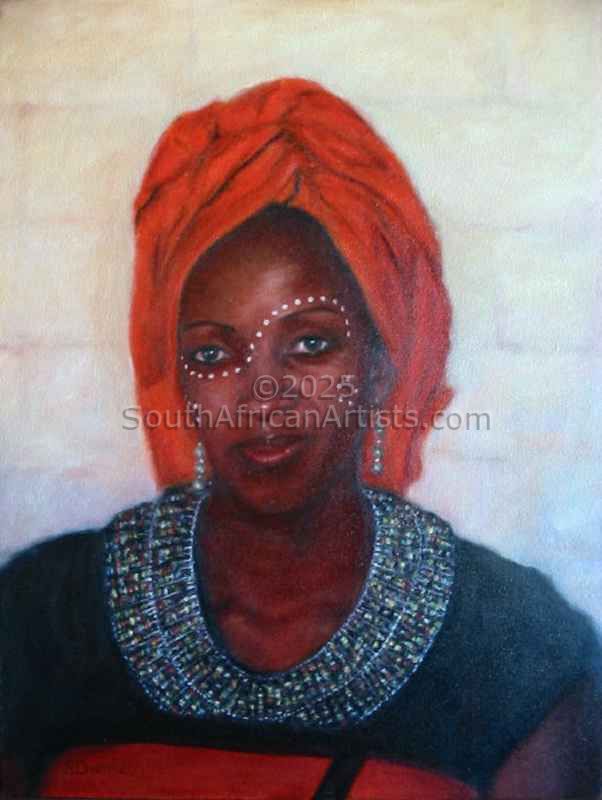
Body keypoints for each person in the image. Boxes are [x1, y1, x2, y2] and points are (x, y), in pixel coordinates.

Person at [1, 78, 600, 800]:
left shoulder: (513, 644)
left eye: (311, 344)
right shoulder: (47, 618)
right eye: (213, 354)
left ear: (383, 365)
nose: (263, 393)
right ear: (177, 382)